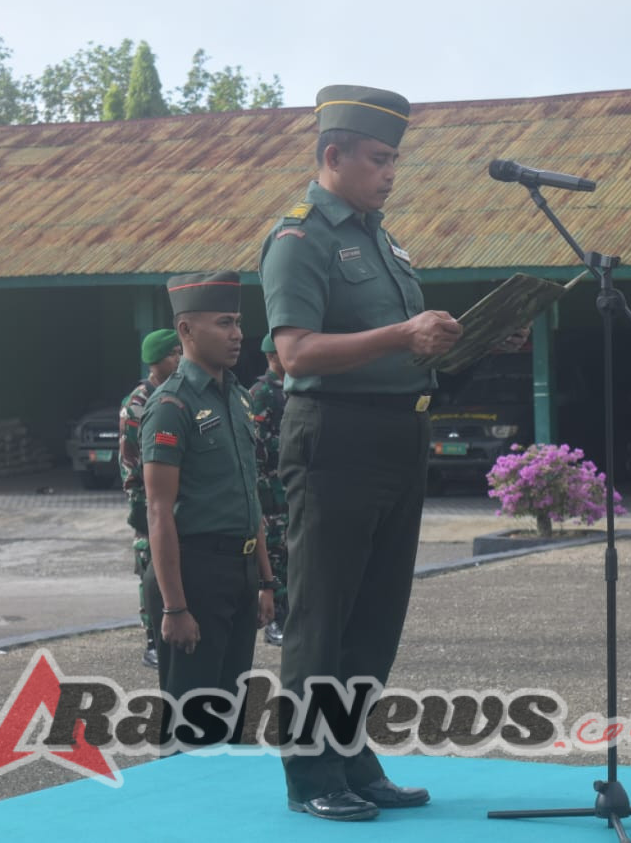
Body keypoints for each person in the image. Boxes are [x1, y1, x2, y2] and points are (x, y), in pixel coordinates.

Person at [257, 85, 464, 822]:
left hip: (397, 432)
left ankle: (352, 754)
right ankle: (311, 772)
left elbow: (399, 345)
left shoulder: (382, 238)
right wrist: (401, 335)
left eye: (395, 160)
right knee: (324, 612)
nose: (390, 173)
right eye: (379, 158)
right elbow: (297, 351)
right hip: (333, 436)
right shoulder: (300, 239)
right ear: (332, 154)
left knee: (378, 611)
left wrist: (451, 340)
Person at [140, 270, 277, 748]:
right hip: (193, 571)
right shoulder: (170, 406)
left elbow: (250, 495)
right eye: (223, 323)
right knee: (192, 722)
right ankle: (179, 816)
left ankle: (227, 815)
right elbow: (159, 511)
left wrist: (263, 580)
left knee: (232, 714)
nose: (237, 334)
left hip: (238, 571)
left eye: (238, 322)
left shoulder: (237, 398)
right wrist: (175, 607)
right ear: (186, 330)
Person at [118, 329, 182, 668]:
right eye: (173, 354)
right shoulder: (138, 403)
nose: (179, 359)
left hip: (173, 495)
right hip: (147, 498)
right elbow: (131, 461)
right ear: (156, 361)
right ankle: (152, 639)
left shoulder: (176, 393)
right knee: (151, 569)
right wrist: (142, 504)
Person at [249, 332, 288, 646]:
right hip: (269, 488)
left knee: (290, 553)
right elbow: (258, 442)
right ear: (273, 355)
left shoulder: (292, 389)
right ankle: (275, 620)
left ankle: (289, 615)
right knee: (273, 554)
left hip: (290, 486)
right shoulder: (262, 392)